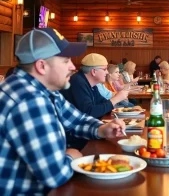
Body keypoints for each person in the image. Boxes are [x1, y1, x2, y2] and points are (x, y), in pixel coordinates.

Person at [0, 28, 126, 194]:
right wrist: (72, 157)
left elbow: (76, 119)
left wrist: (101, 128)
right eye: (66, 61)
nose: (73, 67)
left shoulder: (41, 88)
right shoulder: (30, 100)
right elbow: (55, 175)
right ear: (42, 66)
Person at [61, 53, 129, 149]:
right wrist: (116, 99)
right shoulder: (78, 82)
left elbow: (102, 103)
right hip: (75, 141)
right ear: (93, 71)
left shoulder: (91, 84)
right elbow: (89, 111)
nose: (107, 73)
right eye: (104, 69)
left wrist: (116, 116)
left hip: (88, 134)